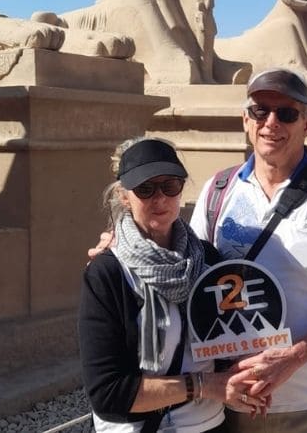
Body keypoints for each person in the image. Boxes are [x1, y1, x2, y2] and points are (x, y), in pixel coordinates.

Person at [187, 68, 307, 433]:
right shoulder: (217, 192)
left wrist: (295, 357)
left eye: (287, 113)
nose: (271, 123)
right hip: (236, 400)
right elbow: (189, 273)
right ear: (246, 120)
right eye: (261, 111)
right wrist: (120, 247)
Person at [80, 138, 266, 433]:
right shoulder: (108, 273)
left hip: (207, 425)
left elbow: (228, 342)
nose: (160, 199)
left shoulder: (207, 259)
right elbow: (109, 393)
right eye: (145, 188)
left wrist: (243, 379)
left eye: (170, 186)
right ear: (124, 195)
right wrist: (203, 385)